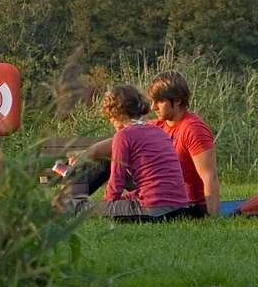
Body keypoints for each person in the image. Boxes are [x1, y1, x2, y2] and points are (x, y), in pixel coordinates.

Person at [72, 71, 220, 217]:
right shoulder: (157, 127)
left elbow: (209, 176)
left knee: (99, 201)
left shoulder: (193, 129)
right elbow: (109, 146)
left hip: (188, 204)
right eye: (153, 101)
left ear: (177, 100)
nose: (154, 106)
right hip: (166, 198)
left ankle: (70, 205)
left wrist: (212, 216)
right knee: (105, 160)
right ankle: (68, 199)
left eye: (159, 101)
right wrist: (84, 154)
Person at [59, 85, 190, 222]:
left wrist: (107, 206)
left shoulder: (123, 136)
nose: (111, 122)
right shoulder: (157, 130)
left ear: (118, 114)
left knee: (79, 208)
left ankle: (67, 201)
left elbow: (117, 182)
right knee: (121, 201)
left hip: (153, 209)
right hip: (178, 206)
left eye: (110, 118)